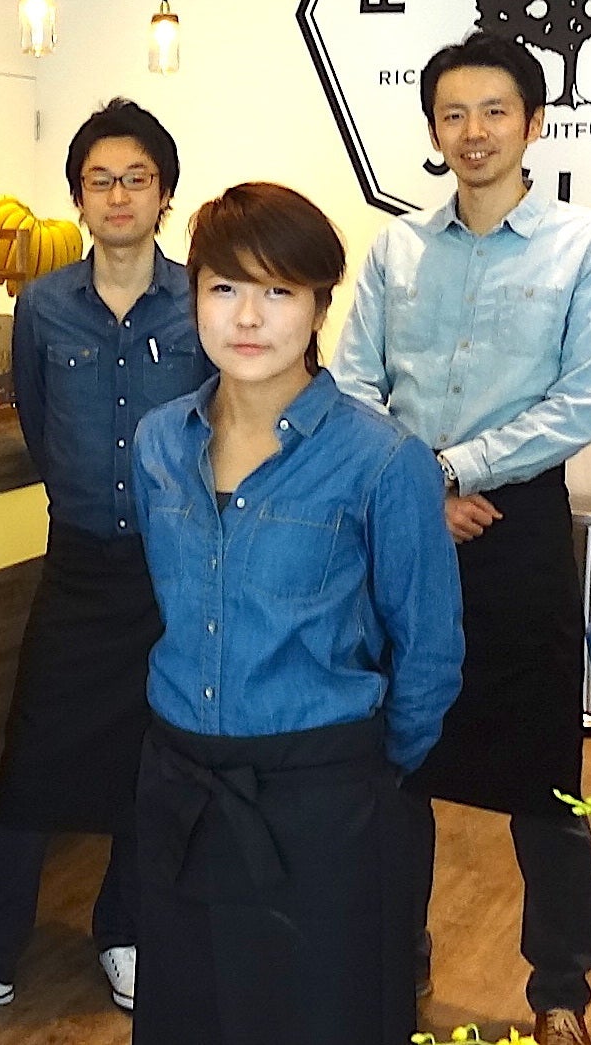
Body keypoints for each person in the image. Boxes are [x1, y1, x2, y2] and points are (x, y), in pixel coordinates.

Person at [333, 30, 591, 1045]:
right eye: (452, 113)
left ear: (533, 122)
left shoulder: (587, 247)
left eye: (494, 110)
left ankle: (560, 991)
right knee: (394, 757)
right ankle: (395, 954)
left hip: (516, 522)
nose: (473, 130)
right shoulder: (394, 249)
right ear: (433, 130)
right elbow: (352, 382)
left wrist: (449, 472)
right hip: (401, 520)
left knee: (543, 772)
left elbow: (578, 402)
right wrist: (417, 486)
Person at [130, 181, 462, 1045]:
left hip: (322, 806)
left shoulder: (383, 460)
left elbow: (430, 654)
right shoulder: (160, 442)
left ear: (319, 306)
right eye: (224, 287)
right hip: (180, 788)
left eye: (279, 290)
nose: (248, 316)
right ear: (194, 296)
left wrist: (358, 771)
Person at [0, 99, 211, 1021]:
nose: (118, 196)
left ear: (163, 193)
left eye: (136, 179)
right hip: (75, 562)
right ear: (79, 196)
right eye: (99, 180)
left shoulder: (200, 300)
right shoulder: (41, 306)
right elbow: (39, 423)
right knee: (30, 754)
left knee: (152, 755)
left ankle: (125, 932)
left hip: (170, 567)